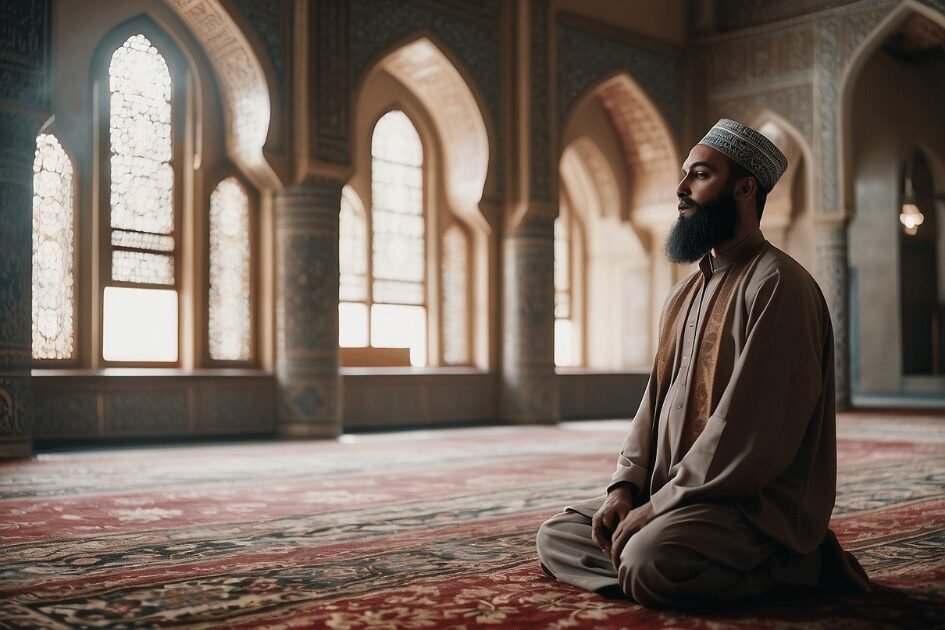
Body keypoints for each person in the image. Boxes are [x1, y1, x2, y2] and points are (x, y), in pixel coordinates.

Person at [536, 119, 869, 608]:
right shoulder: (685, 292)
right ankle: (660, 568)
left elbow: (751, 434)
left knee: (648, 559)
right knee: (558, 535)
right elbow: (654, 401)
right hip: (676, 498)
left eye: (699, 175)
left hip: (748, 508)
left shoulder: (779, 285)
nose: (680, 189)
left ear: (744, 186)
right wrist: (625, 490)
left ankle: (800, 564)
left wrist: (659, 508)